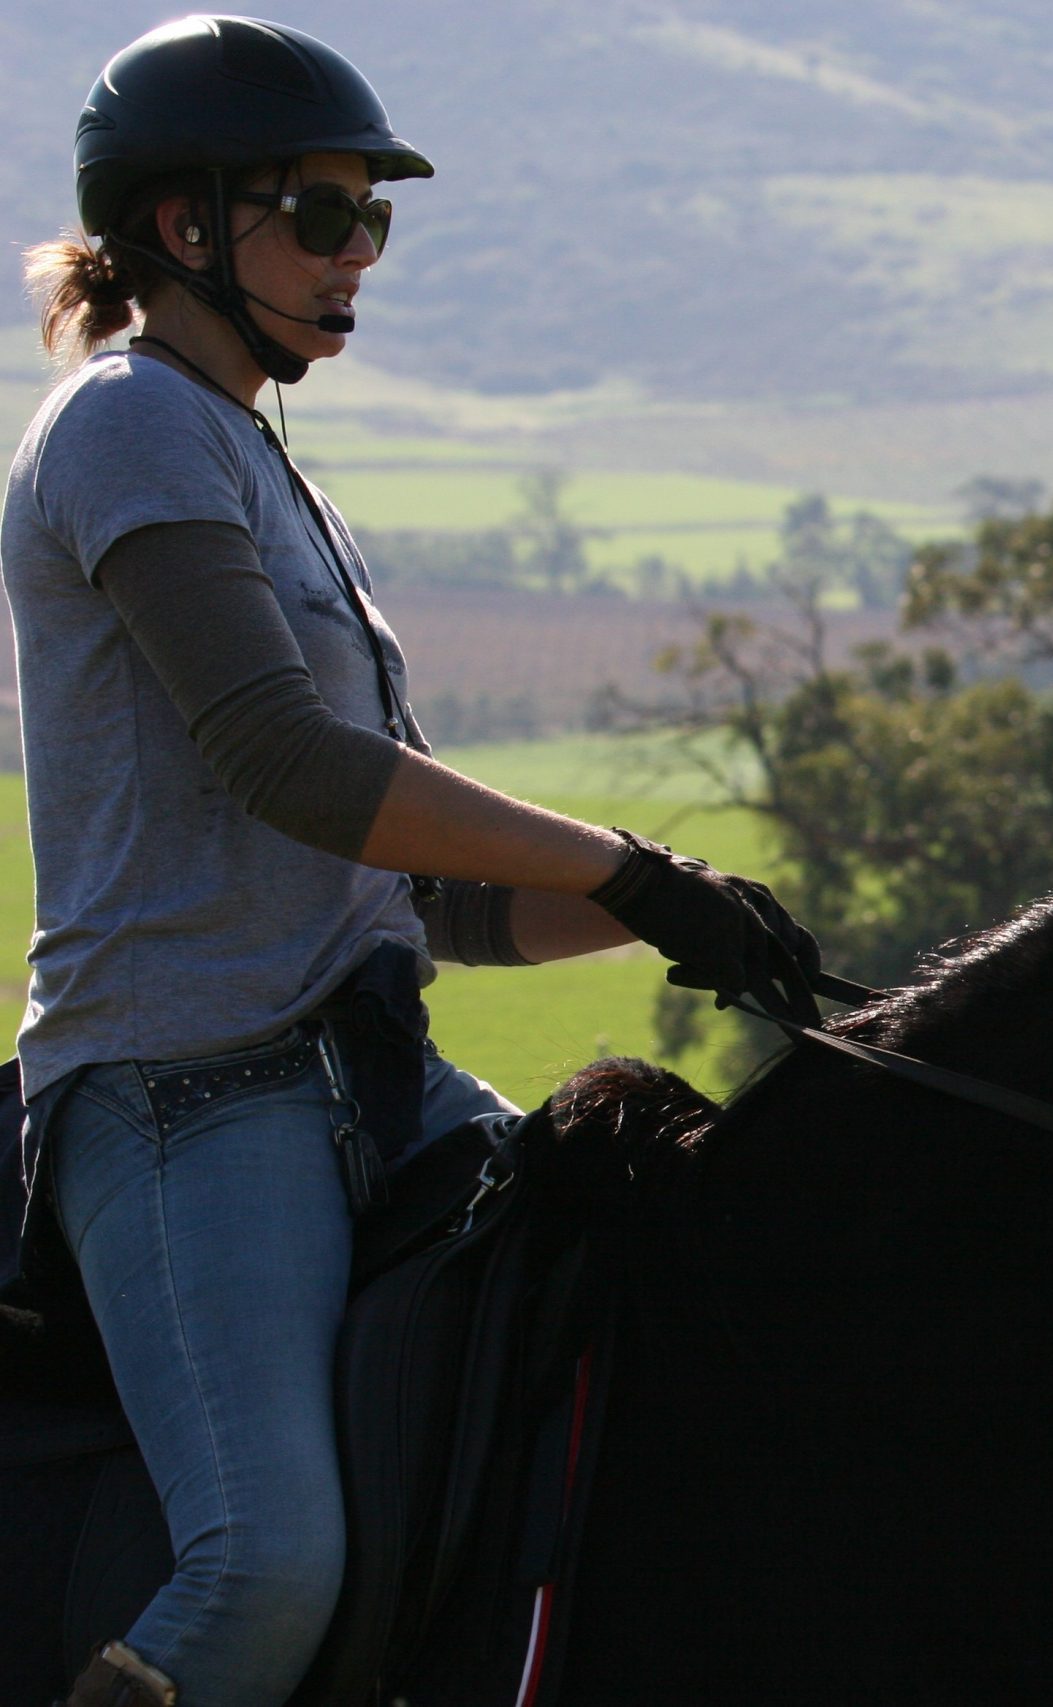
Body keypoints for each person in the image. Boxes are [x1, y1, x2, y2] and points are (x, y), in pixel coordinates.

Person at [5, 19, 823, 1706]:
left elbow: (419, 894)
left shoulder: (272, 471)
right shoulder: (125, 427)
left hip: (377, 1082)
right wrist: (628, 861)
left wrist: (669, 923)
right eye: (319, 213)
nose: (357, 252)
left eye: (374, 218)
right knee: (263, 1569)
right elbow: (292, 768)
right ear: (183, 228)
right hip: (183, 1098)